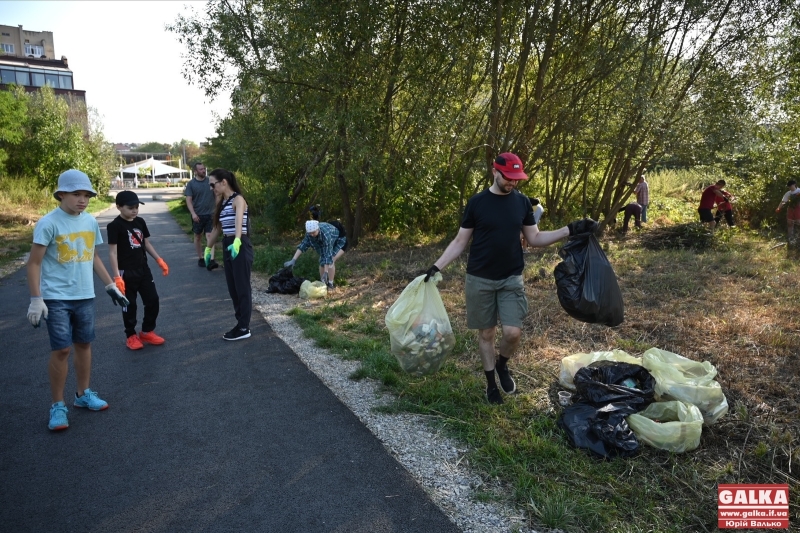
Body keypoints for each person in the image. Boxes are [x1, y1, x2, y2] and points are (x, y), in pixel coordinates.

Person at [423, 153, 598, 405]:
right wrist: (436, 266)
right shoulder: (477, 203)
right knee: (486, 334)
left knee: (512, 333)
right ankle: (491, 384)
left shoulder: (522, 203)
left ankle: (503, 365)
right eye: (508, 177)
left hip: (511, 278)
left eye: (517, 179)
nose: (513, 183)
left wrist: (569, 229)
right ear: (494, 172)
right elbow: (460, 241)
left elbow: (535, 238)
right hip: (479, 279)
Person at [26, 169, 130, 431]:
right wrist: (36, 299)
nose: (82, 199)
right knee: (61, 349)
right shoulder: (48, 223)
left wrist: (110, 285)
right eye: (76, 194)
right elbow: (34, 263)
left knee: (84, 344)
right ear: (61, 194)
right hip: (56, 298)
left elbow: (93, 257)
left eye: (86, 194)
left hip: (85, 295)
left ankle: (83, 395)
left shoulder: (90, 222)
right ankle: (57, 404)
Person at [107, 190, 169, 351]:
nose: (134, 210)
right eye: (130, 207)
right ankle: (131, 335)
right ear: (119, 207)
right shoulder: (114, 226)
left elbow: (146, 243)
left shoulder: (140, 221)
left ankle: (147, 331)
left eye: (136, 207)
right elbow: (112, 252)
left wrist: (159, 260)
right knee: (129, 305)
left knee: (153, 300)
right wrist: (116, 277)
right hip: (125, 272)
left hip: (143, 269)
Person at [205, 169, 254, 341]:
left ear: (224, 182)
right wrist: (207, 248)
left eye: (213, 184)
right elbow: (217, 228)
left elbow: (239, 221)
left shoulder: (238, 199)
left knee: (242, 287)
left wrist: (238, 240)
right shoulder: (223, 202)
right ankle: (239, 323)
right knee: (233, 288)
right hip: (228, 244)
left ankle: (244, 327)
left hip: (239, 244)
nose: (212, 188)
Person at [284, 220, 347, 290]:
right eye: (310, 233)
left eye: (313, 232)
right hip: (330, 242)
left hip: (339, 241)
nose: (312, 235)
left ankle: (330, 284)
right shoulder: (309, 234)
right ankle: (323, 283)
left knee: (331, 260)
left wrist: (326, 272)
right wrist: (293, 260)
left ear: (318, 229)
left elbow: (327, 255)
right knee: (321, 261)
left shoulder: (326, 235)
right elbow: (303, 245)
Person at [184, 162, 219, 270]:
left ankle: (210, 259)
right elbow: (188, 200)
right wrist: (193, 213)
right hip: (198, 215)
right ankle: (200, 258)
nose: (203, 171)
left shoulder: (210, 181)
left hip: (211, 214)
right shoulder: (191, 184)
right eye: (200, 169)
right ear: (195, 171)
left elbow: (217, 195)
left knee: (210, 236)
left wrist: (218, 209)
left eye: (204, 169)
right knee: (198, 237)